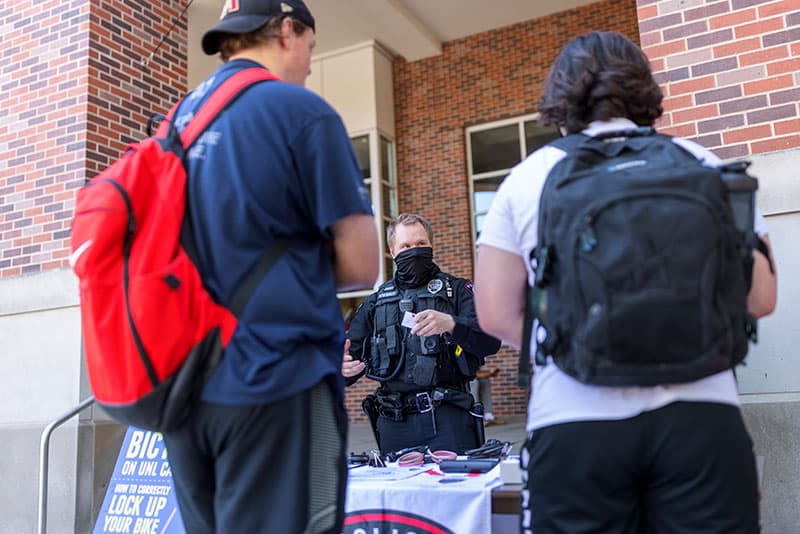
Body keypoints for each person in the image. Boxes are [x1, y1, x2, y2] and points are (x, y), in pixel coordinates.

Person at [474, 31, 777, 534]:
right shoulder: (705, 164)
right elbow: (762, 299)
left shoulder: (528, 179)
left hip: (572, 420)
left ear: (560, 94)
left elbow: (495, 314)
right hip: (703, 418)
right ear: (645, 86)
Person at [160, 2, 380, 533]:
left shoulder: (176, 122)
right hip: (276, 381)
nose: (309, 61)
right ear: (286, 30)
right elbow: (361, 263)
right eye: (309, 44)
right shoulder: (300, 111)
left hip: (184, 389)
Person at [343, 213, 501, 455]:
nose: (414, 251)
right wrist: (341, 368)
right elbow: (349, 361)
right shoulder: (375, 304)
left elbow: (491, 341)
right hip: (394, 423)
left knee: (456, 491)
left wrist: (452, 324)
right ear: (393, 252)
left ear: (431, 246)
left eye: (420, 244)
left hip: (449, 419)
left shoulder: (457, 291)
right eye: (405, 246)